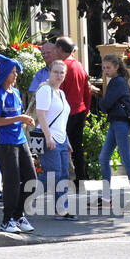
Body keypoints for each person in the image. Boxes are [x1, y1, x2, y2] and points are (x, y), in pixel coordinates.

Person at [0, 53, 37, 233]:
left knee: (31, 179)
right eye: (13, 72)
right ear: (4, 74)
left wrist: (25, 120)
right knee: (12, 182)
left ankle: (18, 215)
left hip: (20, 140)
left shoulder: (15, 92)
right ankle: (7, 220)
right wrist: (20, 117)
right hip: (5, 143)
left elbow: (17, 118)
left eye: (16, 72)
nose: (16, 75)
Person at [97, 53, 130, 211]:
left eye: (108, 67)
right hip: (116, 122)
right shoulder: (117, 81)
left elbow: (106, 104)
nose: (105, 70)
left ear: (117, 67)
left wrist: (99, 100)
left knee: (126, 160)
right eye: (103, 68)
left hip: (120, 123)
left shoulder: (117, 82)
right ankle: (105, 197)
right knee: (103, 158)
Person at [35, 59, 75, 220]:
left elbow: (61, 121)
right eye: (55, 72)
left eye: (62, 72)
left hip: (61, 139)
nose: (59, 75)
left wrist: (67, 141)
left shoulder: (61, 93)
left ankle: (61, 209)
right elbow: (41, 114)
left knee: (63, 174)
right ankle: (22, 194)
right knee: (53, 175)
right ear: (49, 73)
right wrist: (48, 137)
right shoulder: (45, 90)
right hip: (48, 139)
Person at [55, 37, 93, 185]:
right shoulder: (79, 65)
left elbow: (59, 92)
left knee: (62, 146)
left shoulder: (62, 67)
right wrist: (86, 111)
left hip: (66, 113)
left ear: (59, 49)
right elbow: (87, 91)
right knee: (77, 147)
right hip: (80, 110)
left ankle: (62, 179)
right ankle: (80, 179)